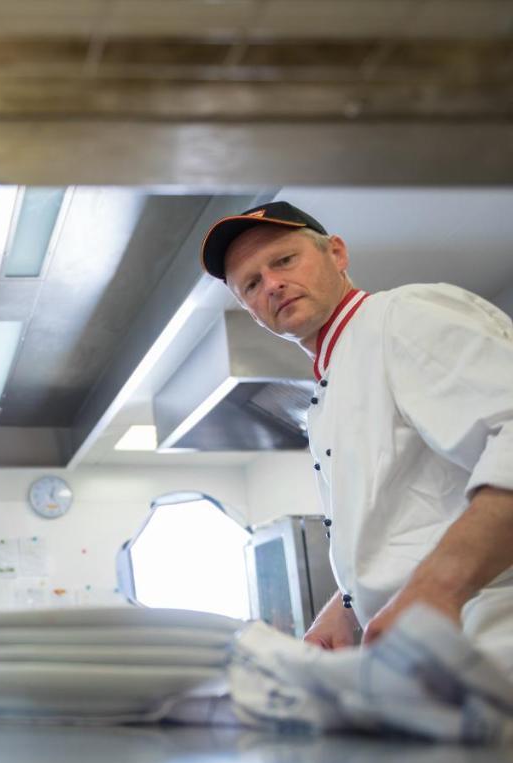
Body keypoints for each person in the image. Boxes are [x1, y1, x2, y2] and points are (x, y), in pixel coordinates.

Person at [200, 201, 513, 668]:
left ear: (338, 254)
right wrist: (347, 606)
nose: (272, 284)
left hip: (489, 640)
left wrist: (437, 588)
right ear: (251, 311)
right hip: (426, 657)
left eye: (284, 260)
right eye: (251, 283)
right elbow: (409, 518)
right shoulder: (329, 391)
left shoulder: (400, 317)